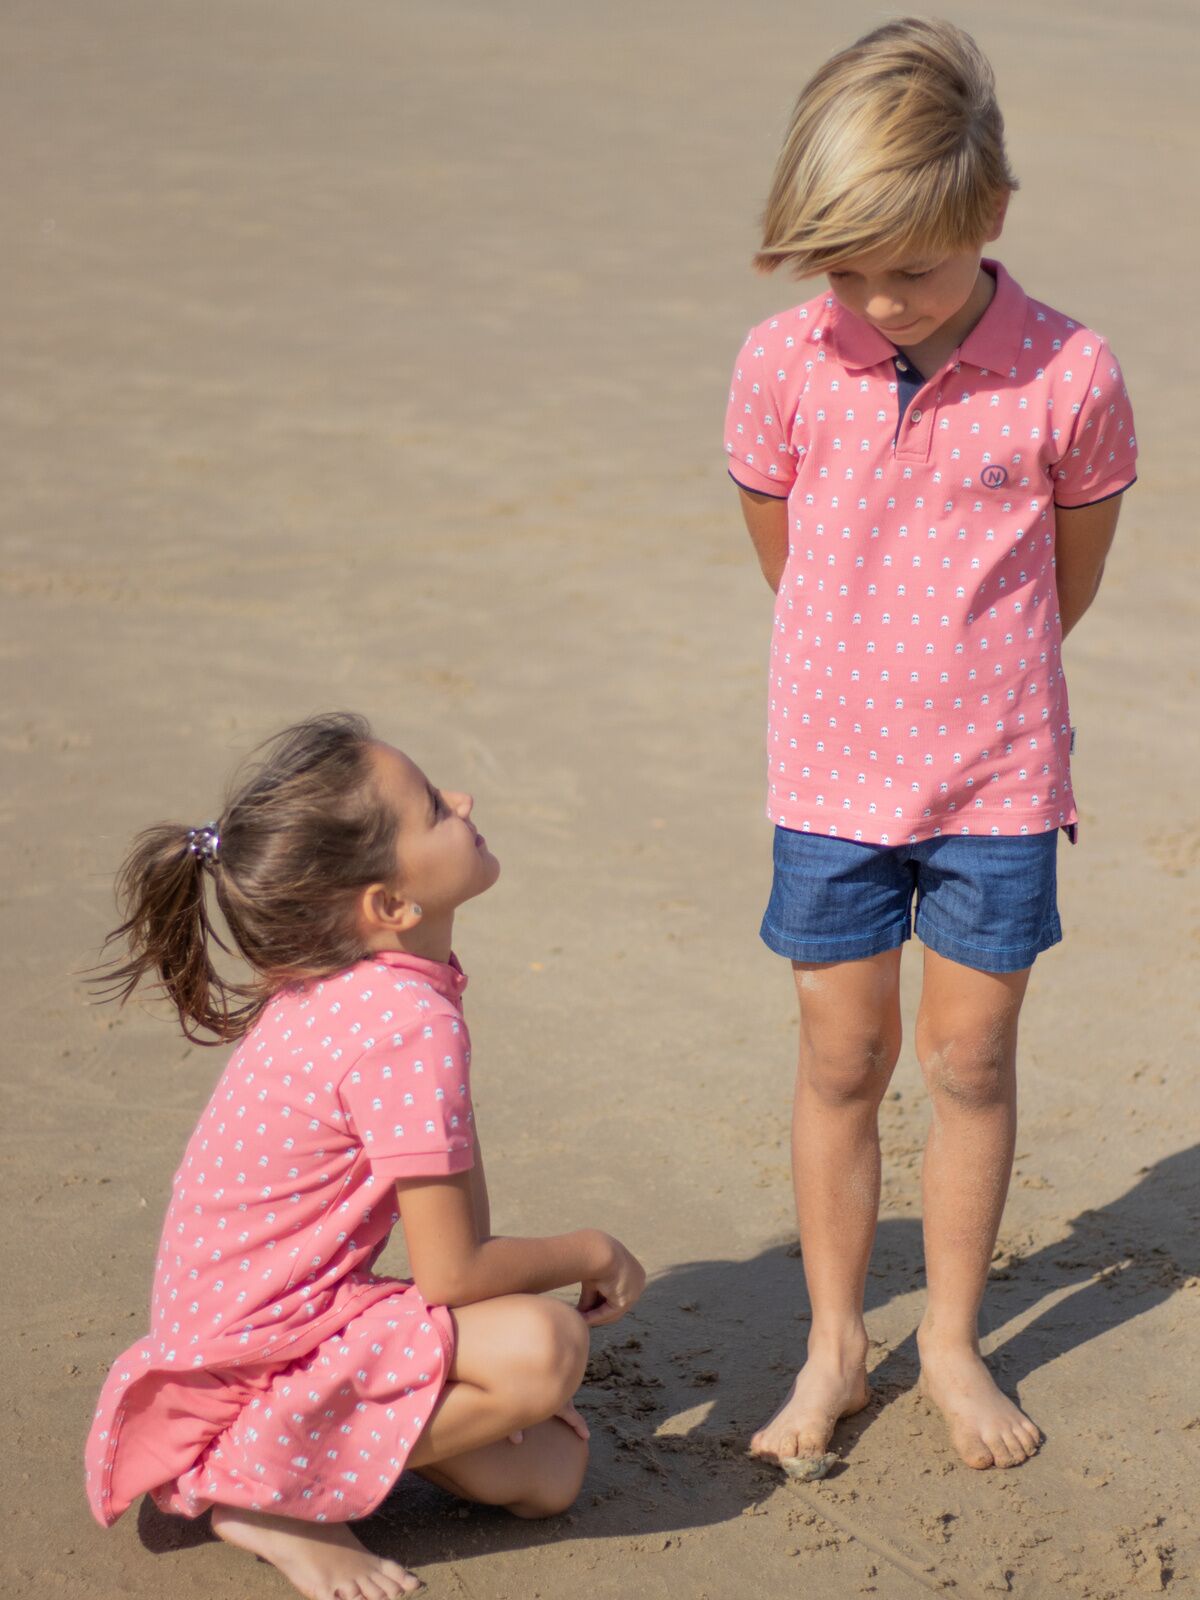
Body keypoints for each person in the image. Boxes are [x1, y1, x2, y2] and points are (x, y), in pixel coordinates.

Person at [724, 19, 1136, 1474]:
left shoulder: (1070, 372)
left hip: (1000, 780)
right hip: (830, 775)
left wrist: (975, 681)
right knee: (842, 1056)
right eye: (846, 273)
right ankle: (836, 1342)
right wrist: (867, 668)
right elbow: (784, 551)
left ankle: (952, 1339)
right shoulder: (781, 361)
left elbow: (1069, 577)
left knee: (970, 1059)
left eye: (913, 268)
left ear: (992, 214)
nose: (880, 302)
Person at [84, 712, 645, 1600]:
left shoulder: (372, 985)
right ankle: (265, 1495)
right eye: (434, 809)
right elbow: (454, 1273)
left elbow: (461, 1247)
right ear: (389, 906)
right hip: (257, 1349)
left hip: (260, 1328)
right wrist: (592, 1251)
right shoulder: (404, 1024)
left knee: (546, 1475)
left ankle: (301, 1455)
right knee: (545, 1347)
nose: (464, 799)